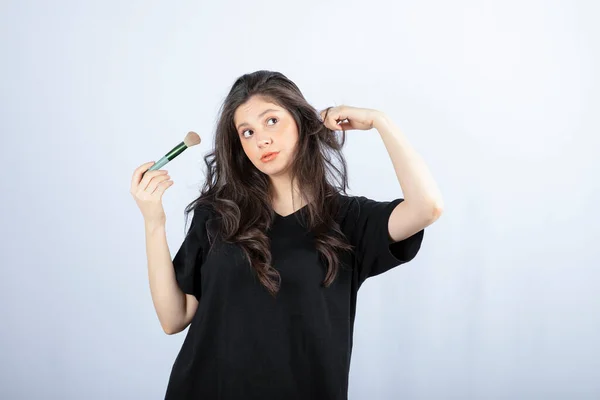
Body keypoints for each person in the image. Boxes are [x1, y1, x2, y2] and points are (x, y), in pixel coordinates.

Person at [130, 70, 443, 400]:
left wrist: (381, 122)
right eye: (247, 132)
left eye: (271, 121)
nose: (261, 139)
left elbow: (428, 207)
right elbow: (173, 318)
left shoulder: (349, 220)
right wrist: (154, 223)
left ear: (300, 121)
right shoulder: (219, 213)